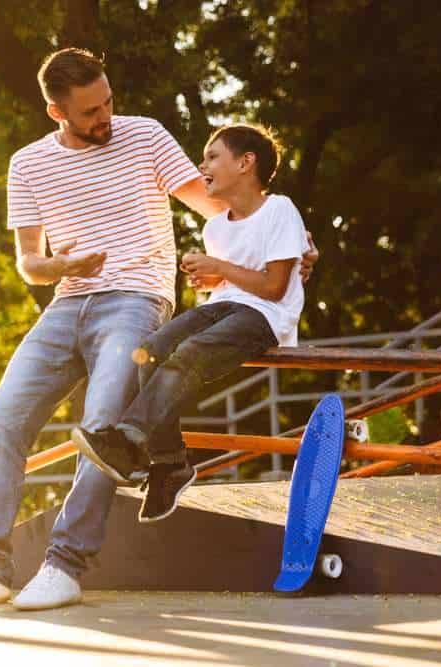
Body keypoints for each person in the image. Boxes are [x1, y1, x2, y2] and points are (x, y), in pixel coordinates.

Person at [0, 49, 318, 611]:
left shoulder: (145, 136)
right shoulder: (28, 164)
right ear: (55, 111)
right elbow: (29, 263)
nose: (105, 115)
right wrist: (62, 268)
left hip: (137, 299)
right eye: (89, 111)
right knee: (4, 419)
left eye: (107, 101)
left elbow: (225, 204)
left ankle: (64, 564)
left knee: (102, 425)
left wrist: (290, 244)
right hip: (65, 304)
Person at [73, 123, 309, 523]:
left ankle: (129, 440)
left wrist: (219, 267)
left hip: (265, 317)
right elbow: (234, 279)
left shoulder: (279, 210)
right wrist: (213, 279)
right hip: (223, 307)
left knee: (190, 353)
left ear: (246, 163)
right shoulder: (215, 227)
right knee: (148, 352)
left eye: (212, 157)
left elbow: (272, 287)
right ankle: (170, 464)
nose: (202, 167)